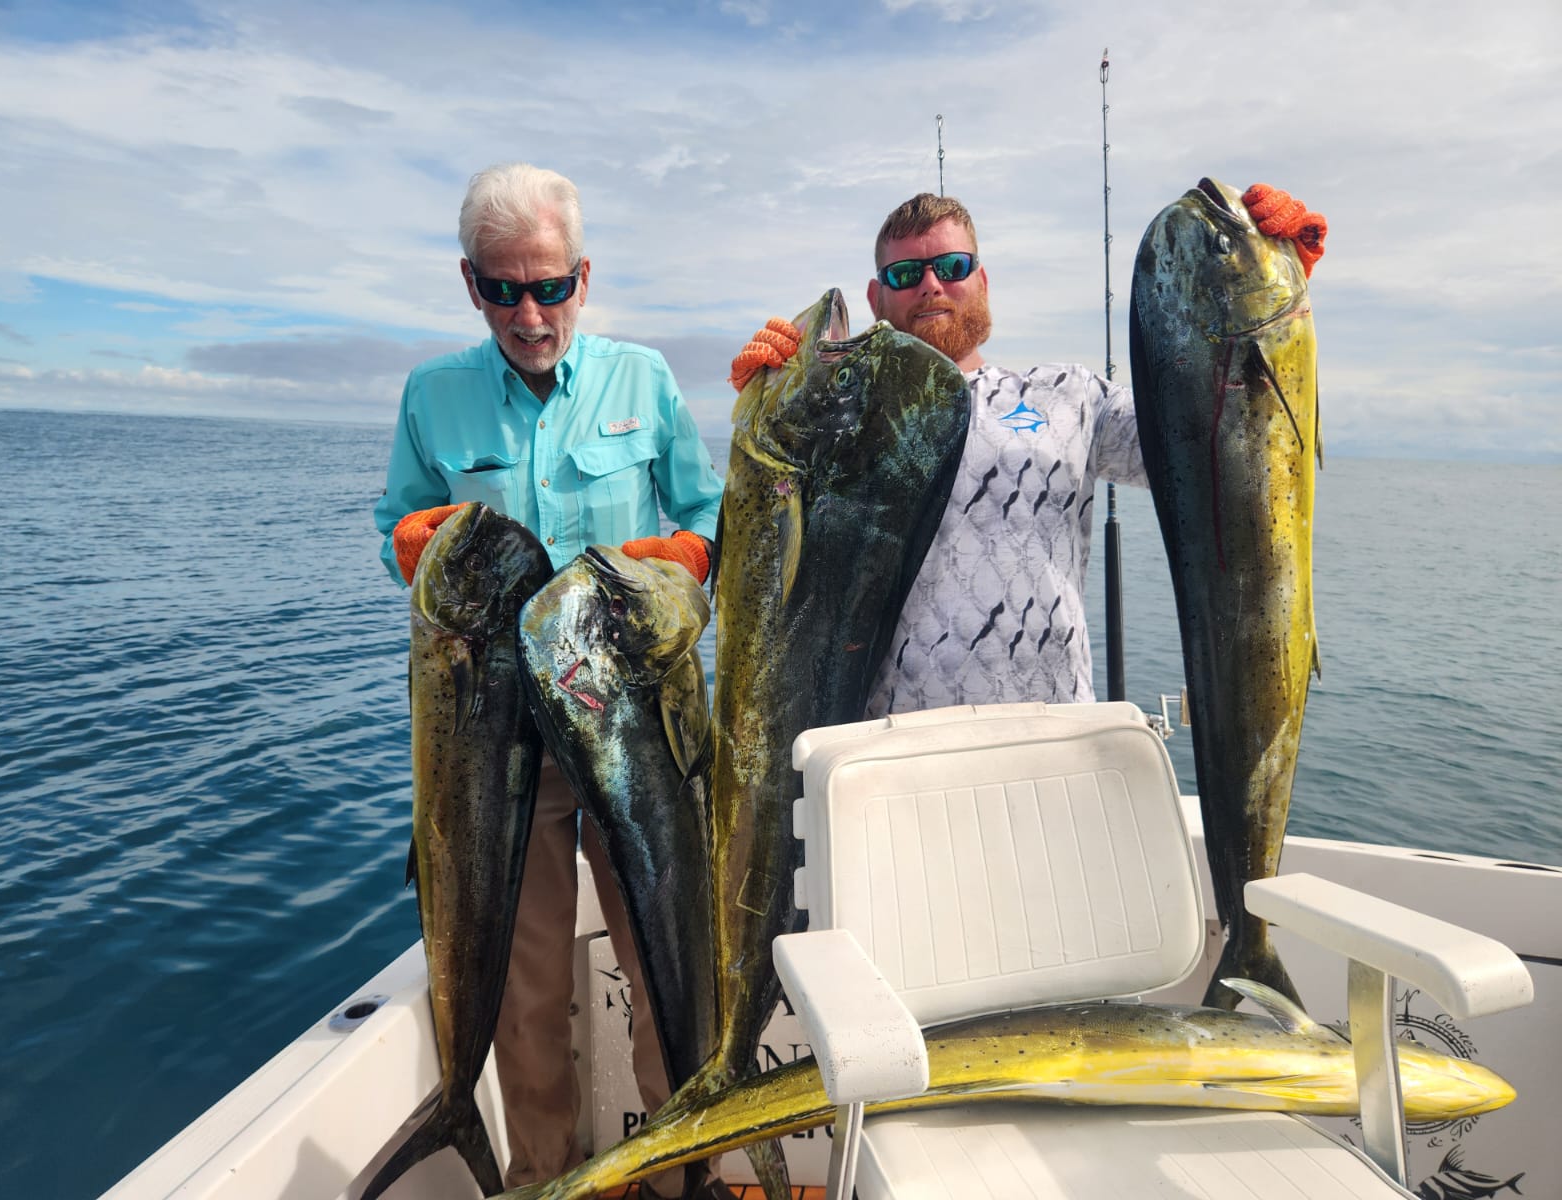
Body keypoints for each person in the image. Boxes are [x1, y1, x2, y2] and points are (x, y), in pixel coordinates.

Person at [374, 163, 726, 1198]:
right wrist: (406, 542)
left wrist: (689, 560)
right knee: (523, 991)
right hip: (493, 738)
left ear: (583, 274)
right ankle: (544, 1180)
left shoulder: (644, 379)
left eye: (549, 286)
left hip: (632, 727)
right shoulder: (431, 395)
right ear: (470, 284)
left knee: (670, 964)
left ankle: (684, 1173)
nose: (530, 314)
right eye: (502, 289)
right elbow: (399, 530)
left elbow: (709, 517)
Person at [730, 185, 1324, 717]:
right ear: (875, 297)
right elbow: (757, 546)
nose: (931, 284)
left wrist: (1266, 299)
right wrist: (766, 404)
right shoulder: (839, 421)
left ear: (982, 282)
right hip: (890, 756)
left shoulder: (1070, 394)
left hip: (1055, 747)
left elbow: (1217, 444)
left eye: (952, 266)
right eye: (906, 273)